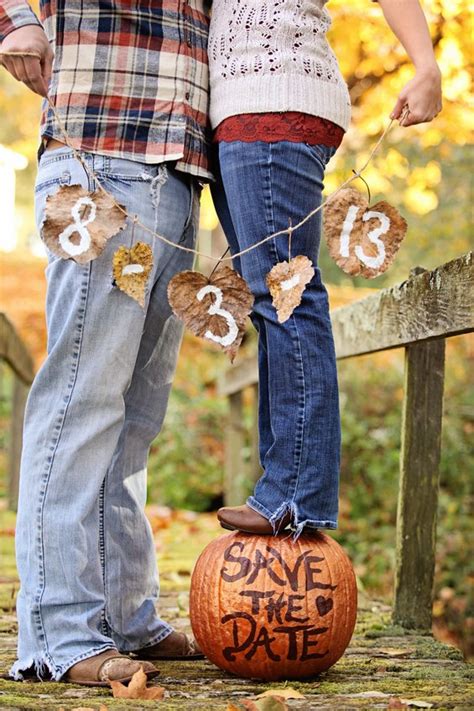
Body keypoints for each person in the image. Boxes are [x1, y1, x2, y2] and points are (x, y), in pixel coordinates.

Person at [0, 0, 211, 686]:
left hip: (181, 170)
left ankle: (124, 616)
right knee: (82, 402)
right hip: (101, 158)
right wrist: (15, 19)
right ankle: (60, 634)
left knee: (136, 417)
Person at [209, 0, 442, 536]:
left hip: (275, 97)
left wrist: (426, 66)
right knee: (271, 297)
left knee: (287, 293)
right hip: (240, 109)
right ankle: (286, 486)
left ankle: (293, 495)